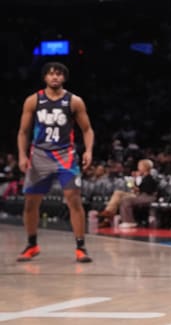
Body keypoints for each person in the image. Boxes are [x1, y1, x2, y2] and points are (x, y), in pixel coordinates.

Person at [16, 62, 94, 263]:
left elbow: (87, 129)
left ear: (64, 78)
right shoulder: (33, 100)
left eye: (59, 74)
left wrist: (89, 150)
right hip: (40, 155)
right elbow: (23, 132)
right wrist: (22, 156)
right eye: (51, 74)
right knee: (30, 203)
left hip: (65, 156)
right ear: (45, 78)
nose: (55, 77)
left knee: (74, 200)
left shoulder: (74, 101)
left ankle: (80, 247)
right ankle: (32, 244)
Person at [118, 159, 159, 229]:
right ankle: (126, 220)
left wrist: (136, 188)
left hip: (149, 197)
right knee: (124, 199)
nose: (138, 168)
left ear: (145, 167)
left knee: (127, 200)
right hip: (142, 196)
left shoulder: (150, 178)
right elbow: (137, 189)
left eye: (139, 166)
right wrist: (132, 181)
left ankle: (129, 221)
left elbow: (146, 190)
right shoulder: (143, 178)